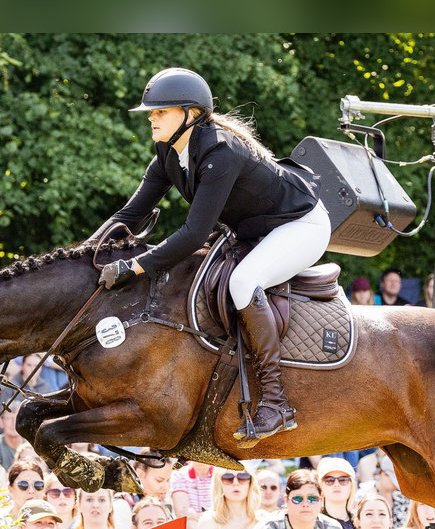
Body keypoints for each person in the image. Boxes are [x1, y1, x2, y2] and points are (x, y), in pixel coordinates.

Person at [91, 68, 329, 445]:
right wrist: (85, 253)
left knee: (243, 282)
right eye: (152, 112)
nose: (151, 118)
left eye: (160, 111)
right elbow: (130, 214)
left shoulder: (221, 151)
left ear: (190, 114)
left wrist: (134, 267)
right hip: (253, 230)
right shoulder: (168, 152)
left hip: (301, 226)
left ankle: (276, 402)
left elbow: (193, 234)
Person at [315, 456, 357, 529]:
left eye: (343, 480)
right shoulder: (314, 523)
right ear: (320, 487)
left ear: (352, 486)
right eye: (329, 480)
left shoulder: (361, 521)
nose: (336, 484)